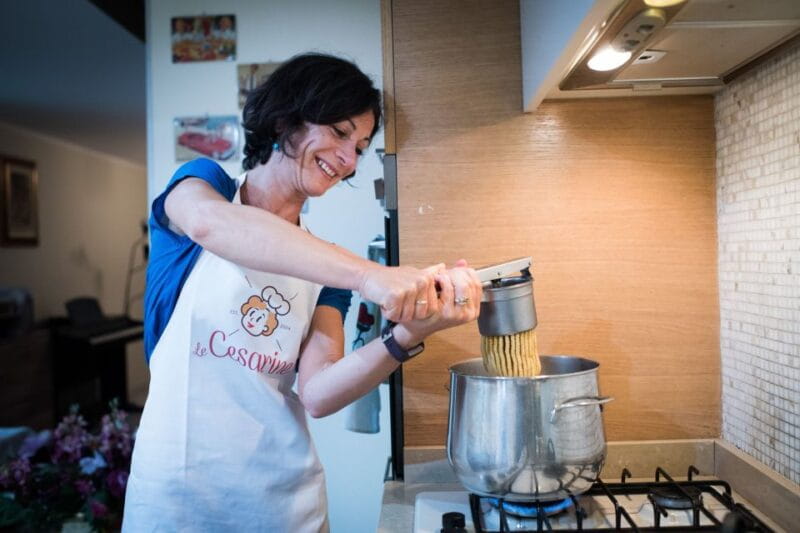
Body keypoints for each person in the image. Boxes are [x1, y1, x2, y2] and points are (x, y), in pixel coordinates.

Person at [122, 53, 482, 532]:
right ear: (286, 118)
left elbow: (318, 393)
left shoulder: (328, 262)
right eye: (339, 132)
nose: (349, 159)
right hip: (175, 501)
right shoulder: (204, 187)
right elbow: (212, 226)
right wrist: (372, 275)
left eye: (360, 146)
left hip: (282, 506)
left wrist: (406, 335)